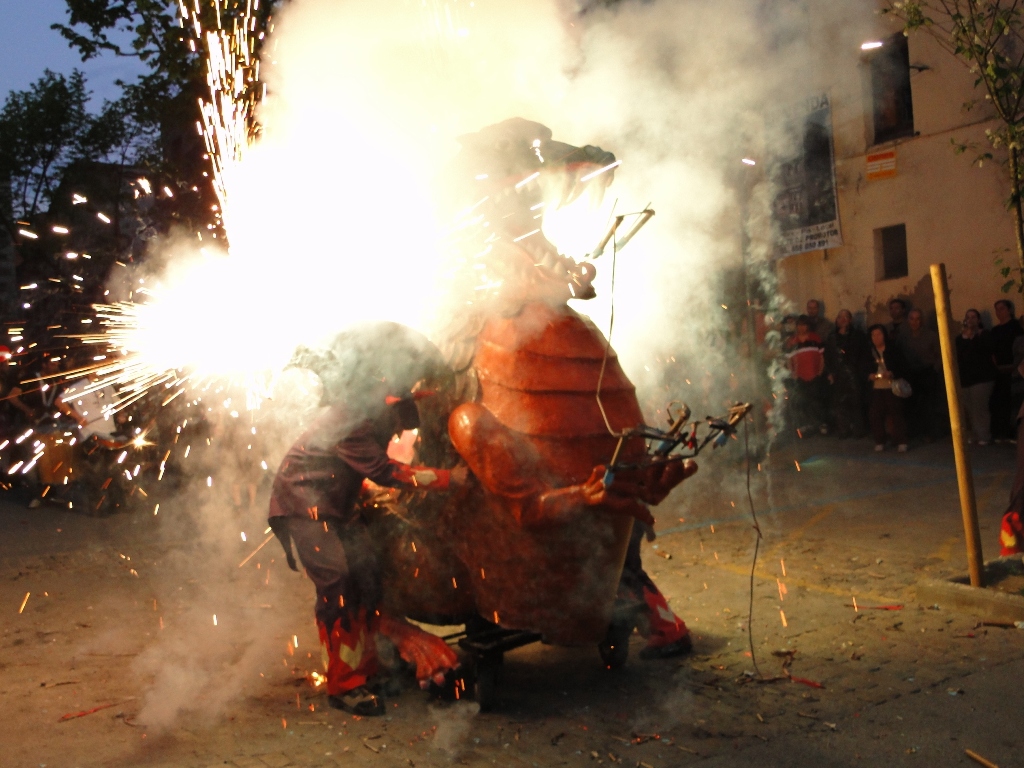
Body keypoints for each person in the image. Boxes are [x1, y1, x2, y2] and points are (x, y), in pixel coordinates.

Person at [268, 381, 467, 716]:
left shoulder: (370, 415)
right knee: (338, 584)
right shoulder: (352, 420)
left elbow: (351, 467)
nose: (400, 431)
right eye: (401, 421)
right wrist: (448, 478)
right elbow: (383, 471)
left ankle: (366, 669)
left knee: (366, 578)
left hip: (338, 505)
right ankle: (344, 686)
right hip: (304, 506)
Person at [956, 308, 997, 445]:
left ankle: (984, 435)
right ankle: (975, 434)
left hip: (982, 378)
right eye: (968, 317)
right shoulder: (960, 338)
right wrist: (966, 337)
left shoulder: (984, 335)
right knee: (970, 408)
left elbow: (985, 351)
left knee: (980, 408)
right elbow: (958, 355)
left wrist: (973, 337)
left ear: (979, 320)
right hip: (965, 378)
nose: (970, 320)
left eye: (973, 317)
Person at [824, 309, 868, 438]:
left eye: (846, 317)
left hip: (853, 373)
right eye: (840, 317)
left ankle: (858, 430)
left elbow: (862, 354)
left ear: (850, 320)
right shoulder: (832, 337)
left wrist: (860, 371)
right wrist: (830, 372)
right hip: (838, 374)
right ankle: (843, 429)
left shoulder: (858, 336)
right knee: (839, 403)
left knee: (855, 402)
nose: (843, 320)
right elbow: (828, 356)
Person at [865, 324, 909, 451]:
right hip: (876, 387)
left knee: (896, 413)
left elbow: (902, 366)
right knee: (875, 414)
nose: (876, 337)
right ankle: (880, 440)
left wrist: (892, 373)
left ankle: (901, 440)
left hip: (891, 386)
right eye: (873, 335)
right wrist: (869, 375)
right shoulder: (868, 352)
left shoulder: (893, 350)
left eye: (879, 334)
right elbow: (863, 368)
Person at [902, 309, 942, 440]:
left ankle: (930, 433)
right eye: (912, 319)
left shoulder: (931, 336)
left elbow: (939, 355)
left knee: (929, 404)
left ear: (922, 321)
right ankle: (914, 431)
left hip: (927, 373)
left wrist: (935, 369)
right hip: (910, 373)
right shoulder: (904, 337)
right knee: (912, 403)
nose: (915, 322)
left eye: (918, 319)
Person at [785, 315, 827, 435]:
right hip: (800, 377)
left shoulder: (815, 338)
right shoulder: (792, 341)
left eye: (804, 325)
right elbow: (789, 360)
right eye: (799, 325)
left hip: (814, 376)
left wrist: (820, 372)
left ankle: (820, 424)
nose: (801, 327)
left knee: (816, 401)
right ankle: (805, 426)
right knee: (802, 402)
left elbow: (822, 357)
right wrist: (793, 374)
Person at [989, 299, 1023, 441]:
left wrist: (1013, 366)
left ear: (1009, 310)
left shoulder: (1016, 327)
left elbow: (1019, 350)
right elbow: (992, 350)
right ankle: (1001, 432)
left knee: (1013, 402)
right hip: (999, 371)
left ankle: (1014, 433)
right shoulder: (995, 330)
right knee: (999, 402)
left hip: (1014, 371)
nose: (999, 312)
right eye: (996, 309)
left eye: (1002, 308)